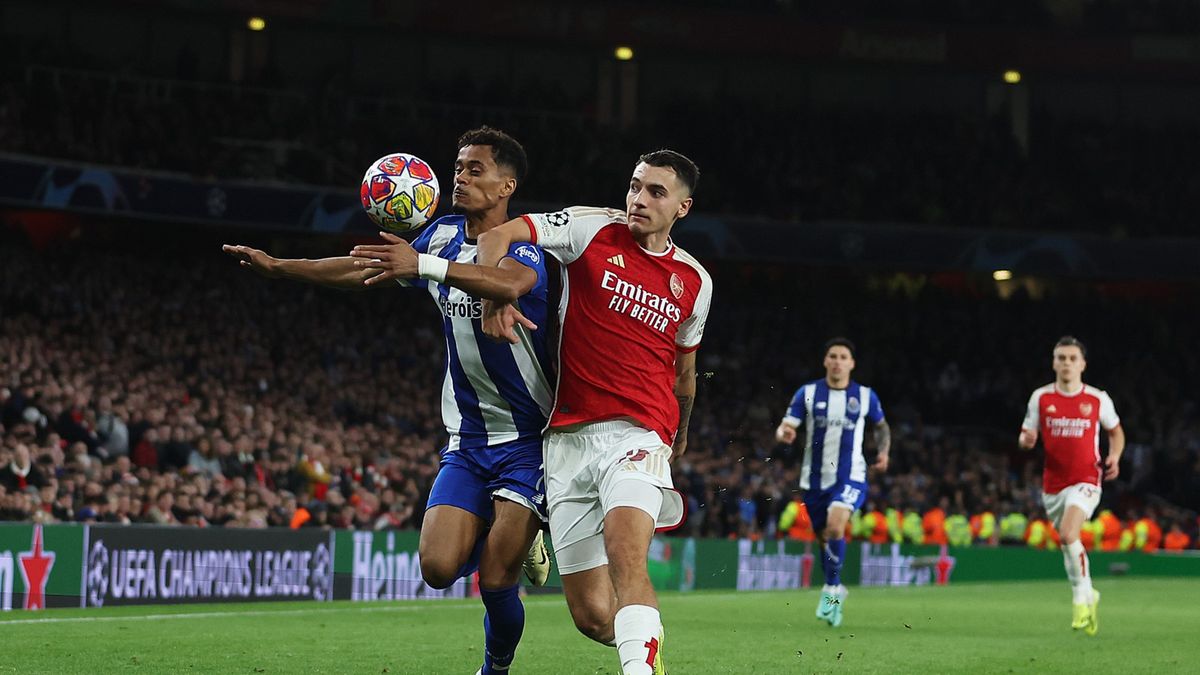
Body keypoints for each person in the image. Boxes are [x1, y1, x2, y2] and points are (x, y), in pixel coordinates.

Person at [224, 126, 552, 675]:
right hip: (469, 439)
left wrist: (422, 266)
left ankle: (494, 668)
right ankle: (511, 532)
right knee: (437, 568)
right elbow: (362, 268)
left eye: (475, 169)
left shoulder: (526, 248)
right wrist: (281, 267)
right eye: (458, 167)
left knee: (496, 581)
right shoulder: (441, 236)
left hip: (529, 441)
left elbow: (509, 283)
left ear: (506, 186)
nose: (460, 177)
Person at [464, 149, 712, 675]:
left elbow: (684, 374)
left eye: (656, 192)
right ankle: (643, 646)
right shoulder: (589, 229)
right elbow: (497, 235)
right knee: (594, 616)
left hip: (639, 435)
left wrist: (682, 432)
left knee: (627, 554)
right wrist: (493, 296)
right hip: (567, 440)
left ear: (682, 207)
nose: (639, 199)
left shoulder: (694, 281)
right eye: (635, 185)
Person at [773, 338, 890, 627]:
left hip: (851, 476)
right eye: (833, 356)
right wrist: (784, 433)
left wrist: (884, 452)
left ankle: (830, 590)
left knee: (836, 526)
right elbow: (786, 425)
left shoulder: (865, 396)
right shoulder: (808, 393)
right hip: (814, 480)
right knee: (825, 538)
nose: (838, 361)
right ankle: (836, 593)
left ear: (852, 363)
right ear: (825, 361)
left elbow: (881, 426)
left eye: (843, 357)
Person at [1019, 335, 1124, 637]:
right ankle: (1090, 594)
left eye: (1072, 358)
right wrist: (1025, 441)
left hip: (1087, 479)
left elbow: (1116, 432)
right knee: (1068, 543)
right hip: (1053, 485)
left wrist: (1114, 456)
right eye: (1061, 358)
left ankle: (1080, 598)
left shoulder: (1097, 399)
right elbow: (1025, 436)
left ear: (1083, 364)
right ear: (1054, 363)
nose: (1066, 363)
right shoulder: (1040, 398)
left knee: (1068, 533)